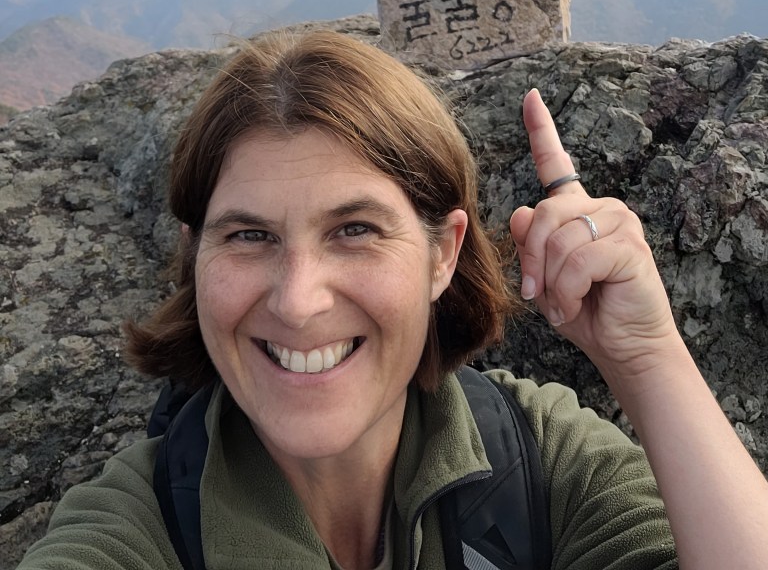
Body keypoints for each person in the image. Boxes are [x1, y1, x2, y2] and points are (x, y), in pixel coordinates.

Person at [16, 29, 768, 570]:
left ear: (442, 254)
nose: (299, 301)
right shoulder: (135, 530)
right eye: (249, 236)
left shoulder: (541, 463)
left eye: (354, 231)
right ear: (195, 257)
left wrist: (648, 359)